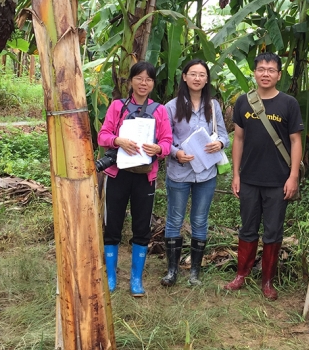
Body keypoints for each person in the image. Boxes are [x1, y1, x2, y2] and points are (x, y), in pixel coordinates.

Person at [224, 52, 304, 300]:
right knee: (247, 228)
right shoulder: (243, 102)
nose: (265, 73)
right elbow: (238, 139)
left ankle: (268, 280)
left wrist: (293, 177)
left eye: (271, 70)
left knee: (273, 231)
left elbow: (295, 141)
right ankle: (241, 274)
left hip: (278, 181)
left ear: (279, 75)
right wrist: (235, 174)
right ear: (255, 73)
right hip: (248, 178)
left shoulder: (288, 103)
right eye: (261, 69)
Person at [97, 61, 173, 296]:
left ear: (153, 84)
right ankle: (111, 277)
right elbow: (103, 136)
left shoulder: (159, 110)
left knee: (142, 227)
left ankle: (135, 280)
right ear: (130, 81)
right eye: (139, 78)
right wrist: (117, 140)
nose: (143, 83)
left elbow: (168, 142)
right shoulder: (117, 106)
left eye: (148, 79)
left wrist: (158, 149)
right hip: (118, 175)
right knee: (112, 227)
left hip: (145, 177)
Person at [162, 59, 229, 287]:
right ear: (184, 77)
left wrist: (219, 144)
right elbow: (163, 139)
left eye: (202, 74)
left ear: (207, 79)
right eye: (193, 74)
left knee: (200, 220)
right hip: (179, 171)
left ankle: (195, 273)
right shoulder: (171, 107)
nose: (197, 78)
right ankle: (172, 271)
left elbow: (224, 136)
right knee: (175, 219)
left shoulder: (213, 106)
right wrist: (175, 152)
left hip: (206, 172)